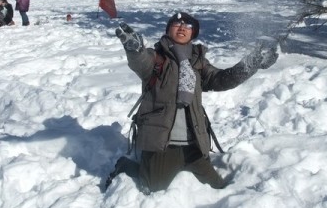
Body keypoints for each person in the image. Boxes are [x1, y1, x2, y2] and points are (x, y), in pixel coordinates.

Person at [108, 11, 278, 193]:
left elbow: (221, 79)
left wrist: (251, 64)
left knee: (218, 188)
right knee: (154, 188)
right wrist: (134, 50)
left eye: (188, 25)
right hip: (164, 144)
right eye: (177, 24)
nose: (182, 27)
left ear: (193, 32)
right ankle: (125, 166)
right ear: (168, 30)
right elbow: (141, 62)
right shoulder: (157, 58)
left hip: (194, 144)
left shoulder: (198, 62)